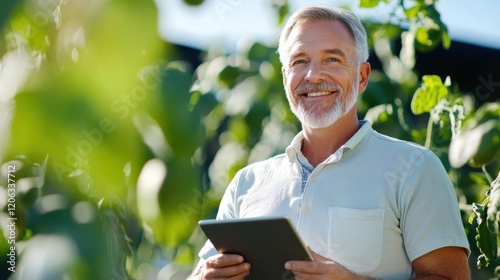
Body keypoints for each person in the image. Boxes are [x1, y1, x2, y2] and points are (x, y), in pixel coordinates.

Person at [189, 5, 470, 280]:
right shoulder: (247, 182)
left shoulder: (415, 170)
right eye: (299, 61)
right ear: (286, 77)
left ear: (361, 77)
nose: (313, 75)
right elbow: (201, 272)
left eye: (332, 59)